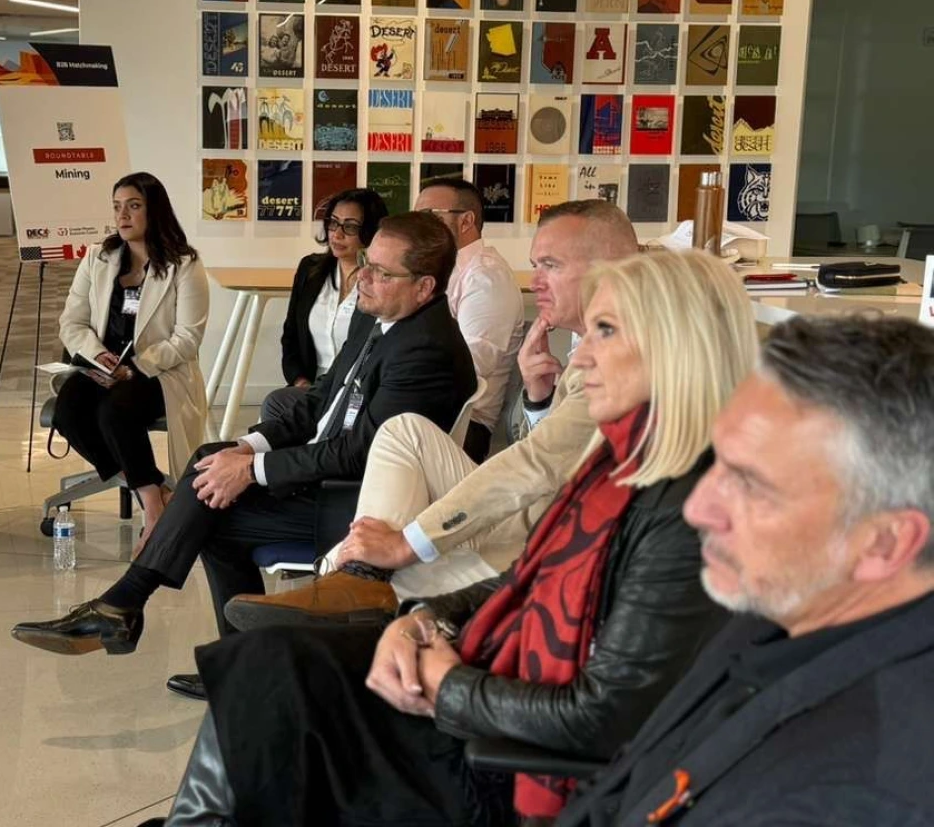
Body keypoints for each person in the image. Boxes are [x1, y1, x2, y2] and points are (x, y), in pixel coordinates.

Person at [163, 248, 758, 826]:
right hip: (490, 679)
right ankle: (363, 585)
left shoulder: (688, 514)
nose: (582, 360)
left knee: (273, 678)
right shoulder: (615, 463)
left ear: (673, 348)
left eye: (606, 332)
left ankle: (360, 582)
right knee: (265, 660)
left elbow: (600, 718)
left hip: (502, 755)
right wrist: (423, 621)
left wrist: (447, 685)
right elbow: (526, 578)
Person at [10, 213, 477, 682]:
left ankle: (149, 620)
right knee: (212, 464)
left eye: (381, 272)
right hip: (329, 473)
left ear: (424, 287)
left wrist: (253, 469)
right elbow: (319, 400)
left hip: (356, 503)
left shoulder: (427, 350)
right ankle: (143, 617)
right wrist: (245, 448)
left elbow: (358, 454)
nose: (363, 279)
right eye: (366, 263)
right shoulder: (379, 315)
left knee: (214, 512)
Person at [555, 315, 934, 826]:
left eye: (751, 484)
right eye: (718, 462)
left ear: (884, 543)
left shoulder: (855, 792)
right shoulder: (784, 603)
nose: (698, 509)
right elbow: (627, 781)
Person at [225, 200, 637, 629]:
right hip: (536, 517)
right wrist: (537, 397)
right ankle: (351, 578)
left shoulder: (620, 354)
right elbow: (561, 454)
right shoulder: (593, 344)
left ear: (611, 267)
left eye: (550, 265)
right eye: (535, 265)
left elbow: (536, 466)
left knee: (382, 583)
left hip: (549, 545)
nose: (535, 282)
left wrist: (407, 543)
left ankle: (345, 580)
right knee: (402, 432)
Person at [52, 172, 209, 546]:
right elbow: (71, 322)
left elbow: (188, 339)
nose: (122, 215)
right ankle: (155, 490)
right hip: (102, 366)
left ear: (154, 211)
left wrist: (135, 367)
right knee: (67, 411)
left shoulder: (184, 264)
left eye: (133, 206)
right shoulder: (99, 258)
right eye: (117, 207)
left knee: (115, 412)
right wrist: (99, 357)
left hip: (158, 372)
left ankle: (152, 509)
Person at [414, 178, 525, 462]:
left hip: (463, 425)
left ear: (466, 221)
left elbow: (471, 367)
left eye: (429, 216)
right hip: (422, 408)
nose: (418, 226)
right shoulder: (439, 269)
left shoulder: (486, 277)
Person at [264, 188, 388, 422]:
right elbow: (291, 336)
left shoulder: (380, 281)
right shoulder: (310, 269)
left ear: (371, 231)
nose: (337, 234)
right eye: (333, 223)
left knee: (277, 407)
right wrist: (300, 382)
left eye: (350, 226)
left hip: (355, 391)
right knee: (279, 408)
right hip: (311, 388)